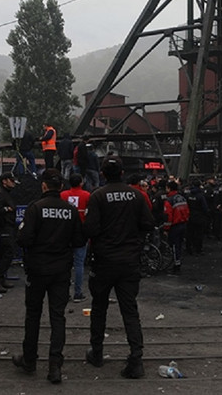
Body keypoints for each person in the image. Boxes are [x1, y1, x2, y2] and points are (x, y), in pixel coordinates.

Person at [83, 156, 155, 379]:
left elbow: (90, 229)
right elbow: (148, 224)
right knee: (130, 310)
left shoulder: (97, 196)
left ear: (103, 174)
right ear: (122, 173)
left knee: (99, 308)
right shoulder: (137, 196)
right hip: (129, 262)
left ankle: (97, 353)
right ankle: (136, 358)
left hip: (104, 262)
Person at [12, 169, 85, 382]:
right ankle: (55, 366)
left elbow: (23, 239)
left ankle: (29, 360)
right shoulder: (70, 211)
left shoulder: (35, 208)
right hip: (61, 271)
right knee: (58, 316)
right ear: (60, 187)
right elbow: (79, 241)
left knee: (33, 315)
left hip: (37, 270)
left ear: (43, 186)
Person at [60, 173, 90, 302]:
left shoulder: (63, 195)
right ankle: (78, 293)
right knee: (79, 264)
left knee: (64, 264)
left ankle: (64, 292)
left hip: (65, 233)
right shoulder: (87, 195)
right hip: (80, 233)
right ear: (81, 183)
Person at [0, 172, 18, 293]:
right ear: (4, 181)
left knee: (5, 253)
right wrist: (7, 209)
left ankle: (1, 278)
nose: (13, 183)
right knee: (7, 253)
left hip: (8, 227)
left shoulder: (6, 194)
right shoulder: (0, 194)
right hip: (4, 228)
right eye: (11, 181)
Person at [164, 180, 189, 274]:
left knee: (174, 246)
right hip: (183, 224)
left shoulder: (169, 200)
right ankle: (178, 263)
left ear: (169, 188)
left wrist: (166, 229)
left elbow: (168, 216)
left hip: (175, 226)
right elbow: (187, 211)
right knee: (180, 245)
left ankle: (176, 266)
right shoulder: (182, 198)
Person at [185, 179, 210, 256]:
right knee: (199, 234)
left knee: (190, 233)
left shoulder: (188, 195)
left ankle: (189, 248)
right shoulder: (200, 196)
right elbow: (205, 207)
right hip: (199, 217)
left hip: (190, 216)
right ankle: (198, 249)